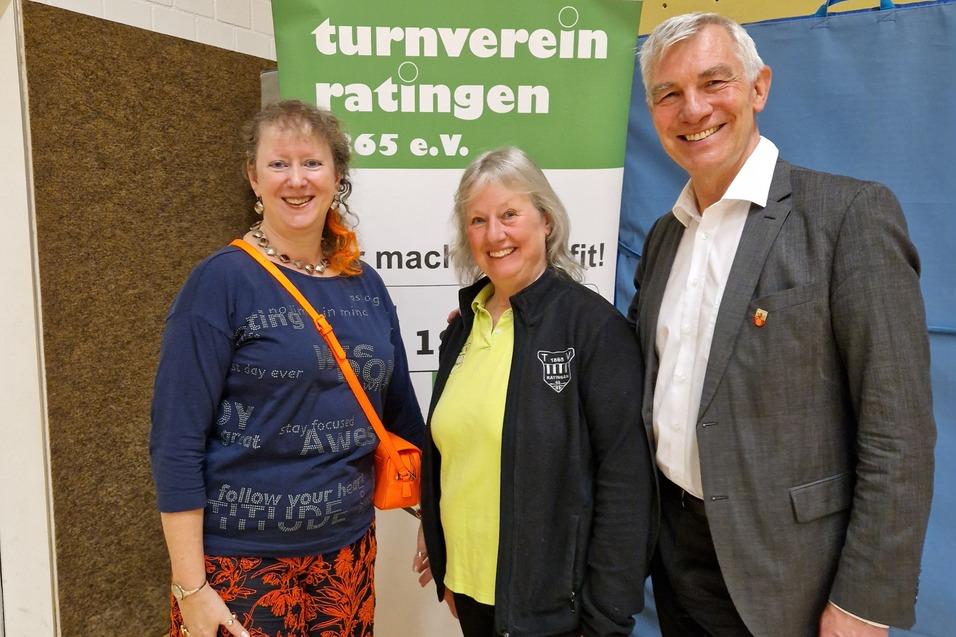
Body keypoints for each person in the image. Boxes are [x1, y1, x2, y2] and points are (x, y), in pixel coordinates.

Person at [627, 12, 936, 637]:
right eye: (669, 94)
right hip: (676, 556)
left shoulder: (849, 215)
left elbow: (898, 432)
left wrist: (863, 604)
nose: (693, 109)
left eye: (715, 82)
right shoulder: (664, 236)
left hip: (790, 575)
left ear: (758, 87)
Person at [150, 100, 424, 637]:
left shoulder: (365, 283)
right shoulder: (219, 283)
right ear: (253, 178)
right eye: (278, 164)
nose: (296, 180)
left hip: (346, 557)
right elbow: (175, 441)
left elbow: (400, 414)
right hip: (239, 568)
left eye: (312, 163)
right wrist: (191, 589)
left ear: (337, 175)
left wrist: (433, 523)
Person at [415, 146, 655, 637]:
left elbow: (626, 484)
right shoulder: (462, 329)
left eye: (509, 214)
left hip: (555, 614)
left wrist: (607, 618)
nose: (495, 234)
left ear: (545, 220)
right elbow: (458, 451)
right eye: (478, 220)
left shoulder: (592, 329)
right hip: (471, 592)